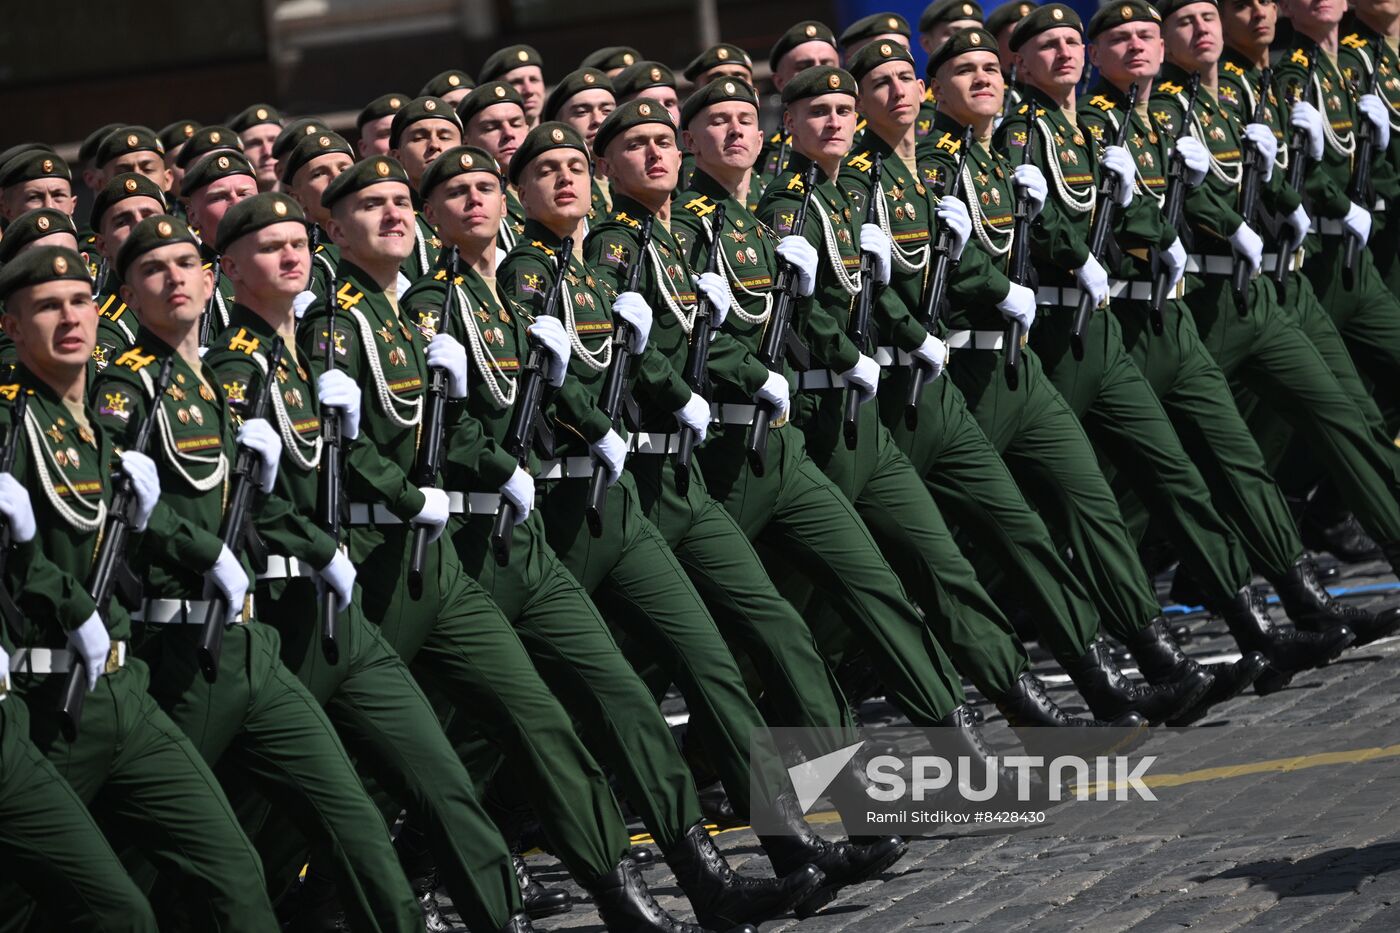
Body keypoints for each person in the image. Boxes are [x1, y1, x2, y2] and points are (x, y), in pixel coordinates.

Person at [297, 153, 750, 933]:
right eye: (374, 205)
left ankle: (675, 881)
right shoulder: (341, 322)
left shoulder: (446, 303)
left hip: (509, 533)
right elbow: (358, 449)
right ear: (333, 229)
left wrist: (600, 416)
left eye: (400, 200)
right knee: (381, 768)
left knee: (570, 713)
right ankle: (330, 903)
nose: (394, 214)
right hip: (392, 560)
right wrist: (456, 475)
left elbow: (522, 398)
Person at [0, 244, 281, 931]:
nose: (69, 317)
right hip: (47, 697)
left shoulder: (89, 417)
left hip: (124, 685)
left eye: (78, 301)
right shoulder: (10, 422)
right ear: (9, 325)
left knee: (233, 871)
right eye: (45, 306)